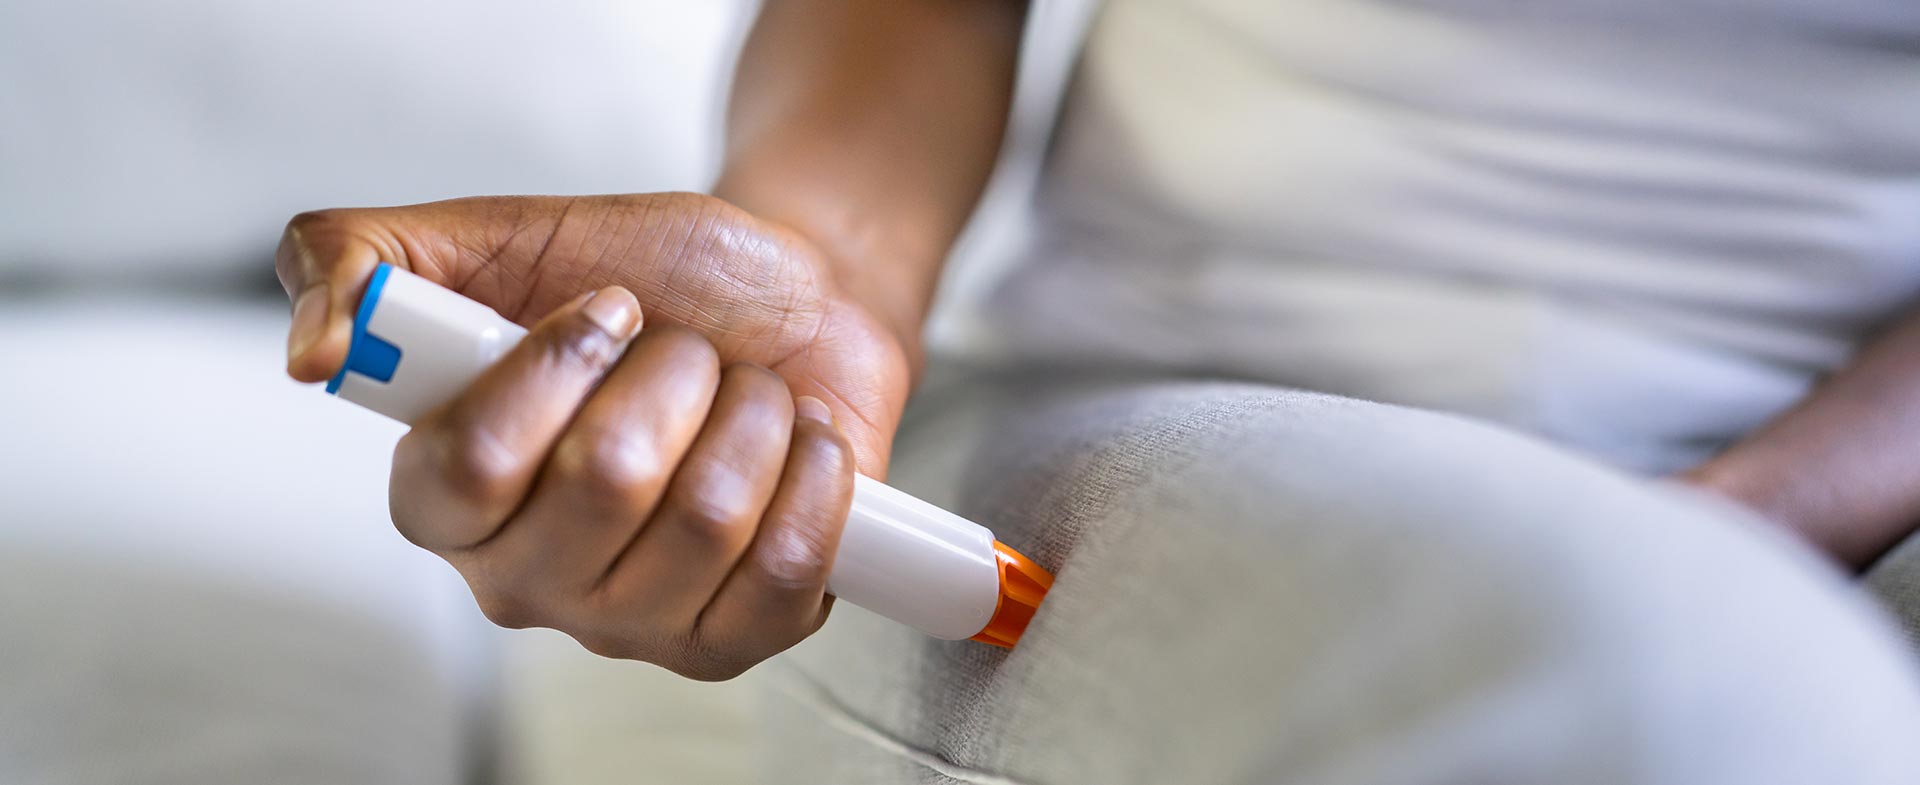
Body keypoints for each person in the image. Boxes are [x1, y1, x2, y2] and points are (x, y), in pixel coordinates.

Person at [275, 0, 1920, 762]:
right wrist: (821, 288)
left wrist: (1751, 518)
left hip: (1838, 488)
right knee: (1706, 709)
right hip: (1194, 424)